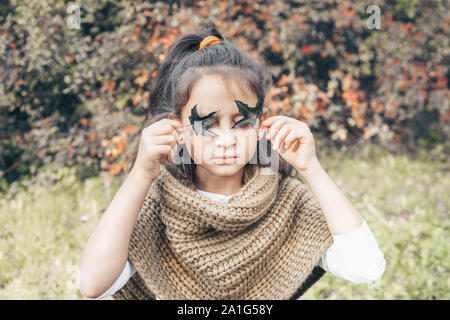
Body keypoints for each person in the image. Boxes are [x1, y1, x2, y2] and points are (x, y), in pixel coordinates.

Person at [79, 25, 385, 300]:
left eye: (241, 122)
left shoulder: (288, 204)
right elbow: (93, 284)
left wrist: (312, 169)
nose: (226, 139)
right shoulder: (156, 208)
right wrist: (139, 177)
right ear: (178, 127)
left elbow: (366, 267)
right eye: (207, 124)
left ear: (261, 124)